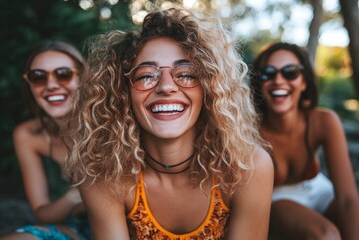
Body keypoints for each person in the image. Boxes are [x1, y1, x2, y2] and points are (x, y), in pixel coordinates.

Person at [65, 7, 274, 240]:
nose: (166, 86)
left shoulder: (248, 166)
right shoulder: (103, 173)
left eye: (186, 74)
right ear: (122, 93)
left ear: (210, 89)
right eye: (146, 75)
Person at [250, 41, 359, 240]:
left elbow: (347, 198)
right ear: (260, 83)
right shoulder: (250, 130)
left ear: (304, 81)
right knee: (327, 235)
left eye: (290, 72)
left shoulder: (324, 121)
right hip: (277, 199)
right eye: (268, 73)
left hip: (319, 190)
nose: (279, 80)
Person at [0, 40, 91, 240]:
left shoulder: (110, 124)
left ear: (83, 78)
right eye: (38, 77)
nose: (51, 85)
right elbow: (42, 212)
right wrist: (73, 196)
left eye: (64, 74)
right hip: (78, 227)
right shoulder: (28, 135)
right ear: (30, 85)